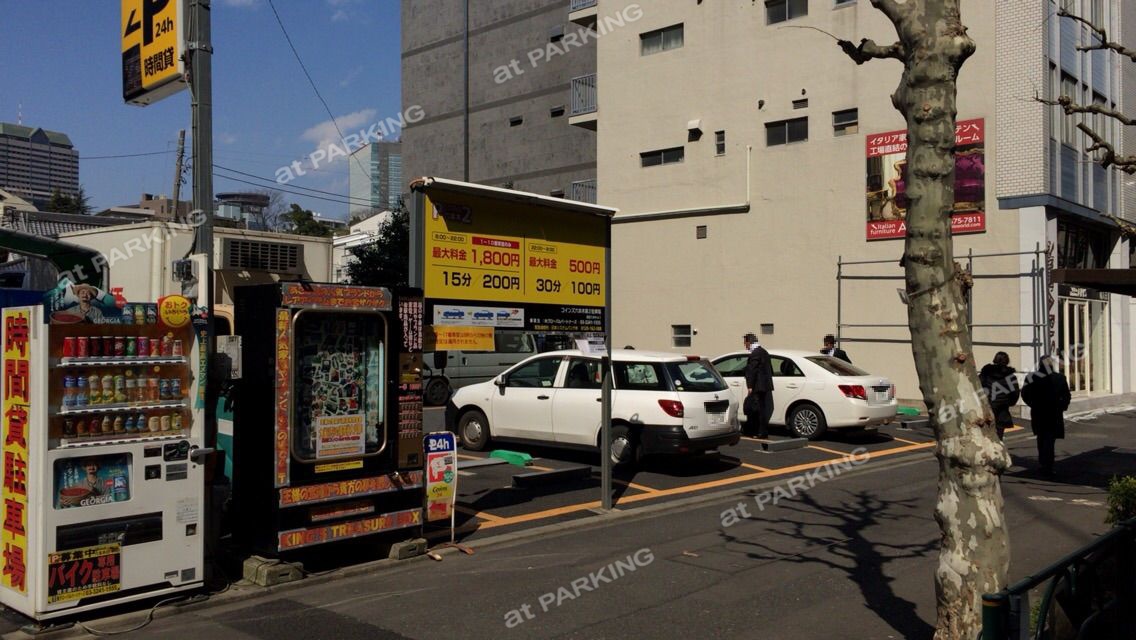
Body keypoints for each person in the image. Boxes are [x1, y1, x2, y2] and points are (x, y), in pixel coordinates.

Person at [1020, 355, 1071, 478]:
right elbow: (1066, 396)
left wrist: (1032, 404)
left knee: (1041, 437)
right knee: (1050, 439)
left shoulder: (1031, 377)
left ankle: (1043, 462)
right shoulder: (1059, 378)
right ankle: (1048, 465)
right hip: (1054, 412)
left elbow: (1025, 394)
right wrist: (1062, 406)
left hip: (1038, 412)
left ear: (1039, 364)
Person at [979, 351, 1020, 440]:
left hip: (987, 407)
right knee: (999, 436)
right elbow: (1015, 394)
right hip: (1002, 409)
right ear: (1007, 361)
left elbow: (978, 387)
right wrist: (1009, 402)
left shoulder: (986, 373)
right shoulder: (1010, 376)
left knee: (986, 436)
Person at [743, 332, 774, 439]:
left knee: (757, 410)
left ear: (749, 342)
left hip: (758, 386)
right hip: (765, 385)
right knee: (762, 409)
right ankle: (762, 431)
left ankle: (759, 432)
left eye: (745, 343)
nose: (745, 346)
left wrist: (750, 386)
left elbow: (753, 370)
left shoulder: (755, 353)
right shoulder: (764, 352)